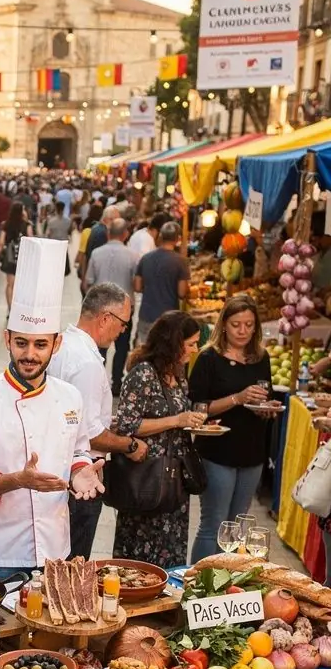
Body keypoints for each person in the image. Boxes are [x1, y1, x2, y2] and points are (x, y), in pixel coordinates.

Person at [0, 239, 102, 579]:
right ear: (7, 339)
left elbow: (79, 450)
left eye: (40, 344)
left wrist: (81, 470)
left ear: (56, 344)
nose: (30, 354)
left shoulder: (70, 397)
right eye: (21, 343)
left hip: (55, 546)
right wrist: (17, 480)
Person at [49, 283, 148, 558]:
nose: (123, 331)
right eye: (123, 323)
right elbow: (90, 434)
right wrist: (130, 445)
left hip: (59, 466)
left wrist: (107, 421)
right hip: (81, 476)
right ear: (105, 318)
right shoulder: (88, 363)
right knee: (74, 562)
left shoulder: (62, 345)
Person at [113, 311, 204, 567]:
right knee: (139, 559)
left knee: (171, 551)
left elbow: (179, 416)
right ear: (173, 342)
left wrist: (192, 421)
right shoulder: (143, 374)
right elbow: (127, 424)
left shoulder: (178, 374)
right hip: (147, 479)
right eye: (191, 343)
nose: (195, 350)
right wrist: (176, 420)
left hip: (174, 481)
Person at [188, 294, 276, 562]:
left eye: (249, 325)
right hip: (217, 452)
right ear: (224, 325)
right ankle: (200, 579)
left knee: (239, 525)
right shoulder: (208, 358)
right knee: (214, 524)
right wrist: (237, 398)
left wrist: (267, 408)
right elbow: (197, 407)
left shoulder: (261, 357)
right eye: (236, 324)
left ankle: (229, 580)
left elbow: (265, 395)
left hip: (252, 451)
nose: (243, 331)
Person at [84, 217, 138, 395]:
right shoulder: (132, 256)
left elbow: (88, 281)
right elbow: (137, 284)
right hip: (124, 311)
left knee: (99, 346)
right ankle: (116, 382)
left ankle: (97, 380)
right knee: (122, 347)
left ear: (108, 233)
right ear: (125, 234)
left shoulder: (96, 253)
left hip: (100, 309)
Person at [134, 221, 190, 344]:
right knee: (165, 352)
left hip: (146, 315)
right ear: (178, 239)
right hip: (168, 318)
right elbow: (182, 293)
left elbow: (137, 286)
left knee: (146, 350)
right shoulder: (181, 261)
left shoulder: (146, 258)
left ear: (160, 236)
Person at [0, 202, 33, 312]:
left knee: (10, 285)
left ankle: (10, 309)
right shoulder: (27, 225)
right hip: (23, 257)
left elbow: (1, 242)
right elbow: (31, 240)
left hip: (10, 257)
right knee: (22, 285)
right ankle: (19, 309)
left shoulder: (6, 224)